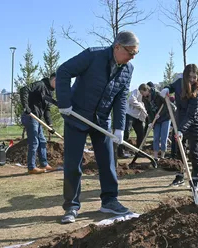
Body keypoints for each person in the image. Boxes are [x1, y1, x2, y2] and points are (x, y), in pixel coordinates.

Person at [56, 31, 139, 224]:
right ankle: (71, 206)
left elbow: (120, 97)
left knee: (108, 162)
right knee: (73, 164)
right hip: (76, 115)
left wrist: (119, 127)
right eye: (130, 52)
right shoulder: (93, 55)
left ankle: (109, 201)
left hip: (101, 121)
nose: (132, 57)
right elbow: (63, 71)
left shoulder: (128, 68)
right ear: (117, 47)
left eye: (135, 54)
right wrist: (65, 102)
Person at [160, 64, 198, 189]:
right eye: (190, 77)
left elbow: (191, 114)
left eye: (195, 77)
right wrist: (166, 88)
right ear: (185, 76)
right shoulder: (179, 83)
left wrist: (181, 130)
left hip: (194, 122)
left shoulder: (197, 91)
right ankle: (179, 176)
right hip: (179, 119)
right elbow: (171, 86)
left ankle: (196, 179)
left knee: (194, 152)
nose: (193, 80)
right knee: (179, 151)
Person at [20, 73, 56, 174]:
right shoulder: (40, 84)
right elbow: (24, 89)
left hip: (37, 119)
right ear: (54, 80)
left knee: (42, 141)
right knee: (34, 142)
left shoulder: (50, 92)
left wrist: (50, 124)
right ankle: (31, 167)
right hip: (30, 116)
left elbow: (47, 110)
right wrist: (26, 106)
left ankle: (44, 164)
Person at [139, 83, 171, 160]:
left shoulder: (157, 94)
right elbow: (148, 111)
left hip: (165, 118)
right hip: (155, 120)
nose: (142, 94)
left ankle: (162, 156)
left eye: (142, 92)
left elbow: (167, 105)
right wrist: (150, 121)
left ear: (147, 90)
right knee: (156, 137)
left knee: (163, 137)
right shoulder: (144, 99)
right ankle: (155, 157)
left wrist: (160, 114)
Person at [117, 87, 147, 158]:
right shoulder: (136, 91)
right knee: (126, 133)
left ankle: (139, 152)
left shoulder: (146, 98)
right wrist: (141, 106)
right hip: (129, 115)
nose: (147, 94)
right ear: (144, 90)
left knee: (141, 134)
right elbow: (131, 100)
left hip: (138, 118)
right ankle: (120, 152)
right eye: (147, 92)